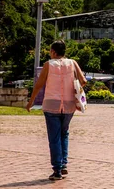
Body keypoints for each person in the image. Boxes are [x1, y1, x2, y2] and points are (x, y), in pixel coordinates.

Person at [26, 40, 87, 181]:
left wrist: (30, 102)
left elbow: (39, 85)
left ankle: (57, 170)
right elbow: (83, 81)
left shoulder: (48, 65)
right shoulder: (72, 63)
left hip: (51, 105)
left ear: (53, 52)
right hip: (69, 105)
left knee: (54, 138)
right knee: (64, 134)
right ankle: (63, 163)